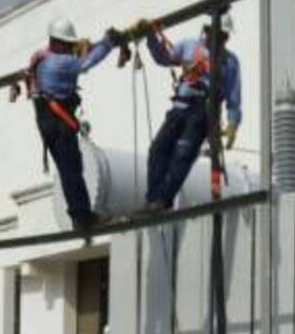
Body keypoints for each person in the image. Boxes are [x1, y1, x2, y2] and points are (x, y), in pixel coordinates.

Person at [24, 18, 119, 231]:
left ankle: (80, 215)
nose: (69, 48)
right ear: (56, 42)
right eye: (66, 44)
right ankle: (82, 217)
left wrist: (94, 45)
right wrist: (108, 43)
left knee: (68, 170)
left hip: (45, 121)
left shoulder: (41, 59)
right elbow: (85, 64)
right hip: (59, 121)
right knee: (72, 170)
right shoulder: (61, 62)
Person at [139, 14, 242, 210]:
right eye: (217, 34)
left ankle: (163, 200)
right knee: (157, 150)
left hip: (202, 113)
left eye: (224, 36)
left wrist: (232, 124)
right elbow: (164, 57)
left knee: (182, 155)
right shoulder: (189, 46)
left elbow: (233, 97)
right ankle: (153, 198)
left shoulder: (229, 62)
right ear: (207, 31)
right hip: (179, 108)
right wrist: (151, 37)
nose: (220, 39)